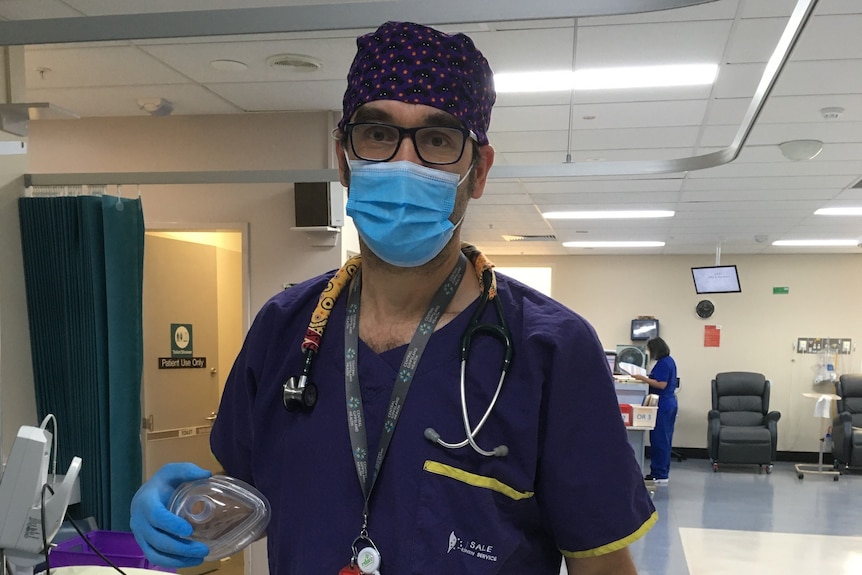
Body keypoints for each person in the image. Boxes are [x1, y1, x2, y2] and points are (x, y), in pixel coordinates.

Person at [130, 21, 656, 575]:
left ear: (478, 171)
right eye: (378, 133)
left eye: (436, 139)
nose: (404, 163)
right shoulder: (284, 329)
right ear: (343, 158)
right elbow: (235, 498)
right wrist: (179, 512)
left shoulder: (551, 351)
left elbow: (601, 565)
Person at [632, 337, 678, 485]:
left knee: (659, 440)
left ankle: (659, 474)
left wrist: (643, 378)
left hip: (663, 405)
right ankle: (661, 472)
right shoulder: (668, 361)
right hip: (668, 404)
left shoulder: (664, 363)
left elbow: (661, 384)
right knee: (664, 439)